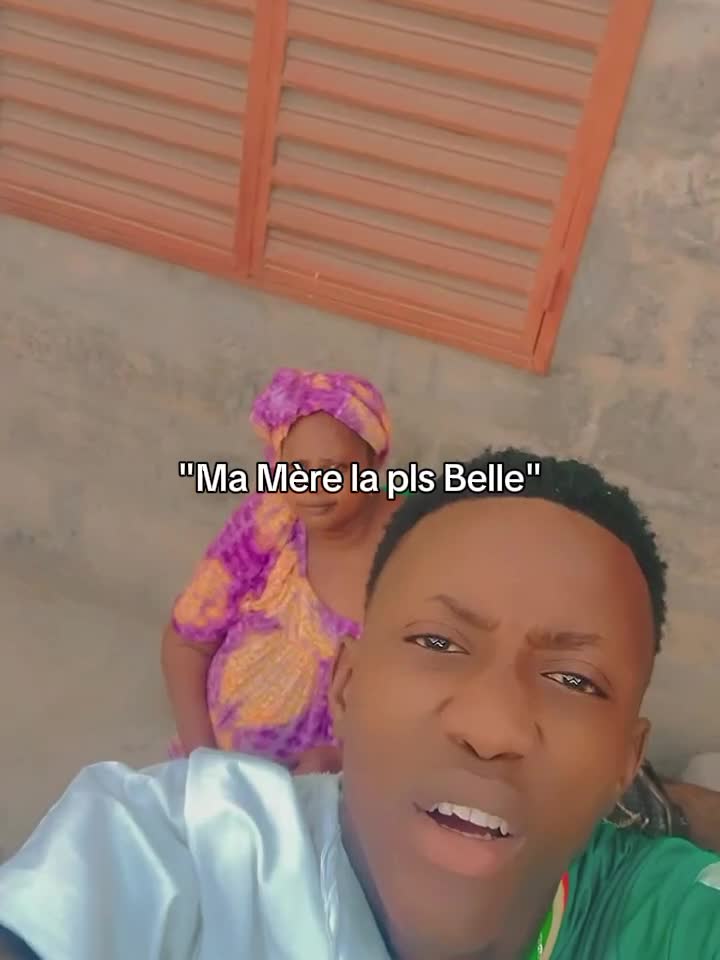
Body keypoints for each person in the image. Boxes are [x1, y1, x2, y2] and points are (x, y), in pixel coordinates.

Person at [1, 448, 719, 960]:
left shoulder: (666, 915)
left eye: (575, 680)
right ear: (344, 686)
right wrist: (202, 750)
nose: (492, 726)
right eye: (437, 642)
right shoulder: (187, 845)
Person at [162, 367, 403, 774]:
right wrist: (203, 762)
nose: (314, 487)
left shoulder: (416, 546)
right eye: (297, 468)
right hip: (221, 773)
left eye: (334, 469)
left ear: (374, 462)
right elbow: (186, 644)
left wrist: (344, 764)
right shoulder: (267, 524)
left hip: (351, 787)